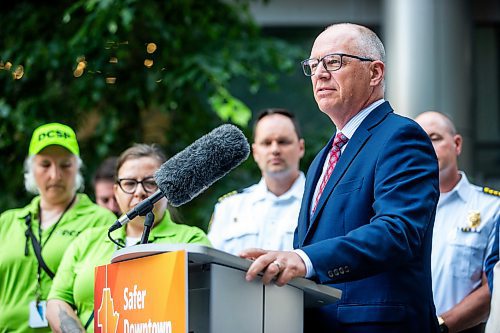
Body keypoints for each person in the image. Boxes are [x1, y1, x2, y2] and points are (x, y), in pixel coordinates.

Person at [242, 23, 440, 332]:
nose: (319, 73)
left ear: (375, 73)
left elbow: (397, 232)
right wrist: (285, 261)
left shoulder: (401, 137)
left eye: (333, 62)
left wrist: (305, 259)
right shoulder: (324, 156)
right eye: (313, 65)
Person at [46, 143, 211, 333]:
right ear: (116, 191)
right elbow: (57, 300)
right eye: (130, 183)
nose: (139, 192)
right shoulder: (86, 241)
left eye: (151, 183)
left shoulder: (191, 240)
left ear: (168, 189)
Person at [0, 123, 116, 332]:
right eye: (45, 164)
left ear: (77, 168)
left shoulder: (101, 222)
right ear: (30, 169)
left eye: (65, 165)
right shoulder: (6, 223)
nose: (55, 175)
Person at [415, 111, 500, 333]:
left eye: (434, 138)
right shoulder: (397, 209)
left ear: (457, 144)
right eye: (418, 141)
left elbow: (494, 285)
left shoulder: (492, 207)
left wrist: (439, 326)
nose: (426, 147)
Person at [208, 108, 305, 254]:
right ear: (255, 152)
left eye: (283, 142)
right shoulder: (229, 207)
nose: (275, 150)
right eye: (266, 143)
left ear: (301, 147)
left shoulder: (319, 204)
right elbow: (210, 265)